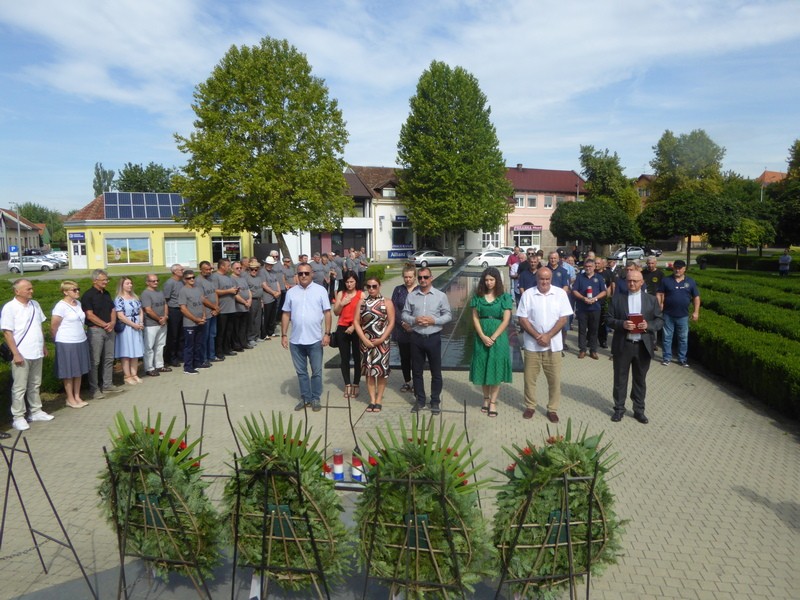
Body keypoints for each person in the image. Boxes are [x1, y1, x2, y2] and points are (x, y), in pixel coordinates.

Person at [516, 268, 573, 423]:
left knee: (554, 380)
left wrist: (548, 336)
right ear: (537, 278)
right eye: (542, 278)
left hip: (553, 346)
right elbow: (522, 319)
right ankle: (530, 406)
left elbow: (563, 319)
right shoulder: (528, 294)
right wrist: (537, 336)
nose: (544, 282)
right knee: (529, 379)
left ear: (551, 279)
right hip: (532, 345)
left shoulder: (560, 294)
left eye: (547, 279)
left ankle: (552, 409)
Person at [607, 270, 663, 423]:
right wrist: (622, 324)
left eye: (635, 281)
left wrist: (648, 325)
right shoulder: (617, 299)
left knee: (640, 380)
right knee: (620, 379)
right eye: (629, 281)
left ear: (642, 282)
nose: (631, 283)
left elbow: (659, 321)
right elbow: (608, 319)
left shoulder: (651, 300)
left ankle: (639, 410)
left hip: (642, 346)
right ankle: (619, 409)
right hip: (623, 345)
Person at [2, 279, 54, 430]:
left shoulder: (35, 304)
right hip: (22, 353)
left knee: (35, 384)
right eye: (28, 289)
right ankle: (18, 417)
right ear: (17, 291)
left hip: (36, 351)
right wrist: (16, 354)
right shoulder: (10, 308)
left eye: (31, 288)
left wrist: (43, 346)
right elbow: (7, 333)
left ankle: (36, 411)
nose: (31, 291)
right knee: (19, 387)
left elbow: (39, 326)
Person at [281, 264, 332, 412]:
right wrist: (284, 334)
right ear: (296, 275)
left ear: (312, 274)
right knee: (301, 372)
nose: (303, 276)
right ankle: (305, 398)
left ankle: (315, 398)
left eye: (306, 273)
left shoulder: (320, 290)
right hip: (296, 341)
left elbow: (327, 313)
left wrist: (327, 334)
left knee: (316, 372)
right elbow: (286, 314)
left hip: (315, 340)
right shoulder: (291, 292)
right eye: (300, 273)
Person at [402, 267, 452, 415]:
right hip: (416, 337)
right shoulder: (412, 296)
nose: (422, 280)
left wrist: (434, 321)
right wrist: (414, 320)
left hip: (433, 337)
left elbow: (448, 315)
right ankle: (420, 400)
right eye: (420, 278)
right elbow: (404, 314)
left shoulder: (440, 296)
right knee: (417, 371)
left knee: (436, 372)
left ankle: (435, 401)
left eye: (425, 277)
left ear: (431, 277)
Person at [469, 267, 513, 418]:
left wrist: (493, 337)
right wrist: (482, 336)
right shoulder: (478, 297)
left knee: (495, 367)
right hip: (481, 336)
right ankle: (486, 399)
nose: (489, 283)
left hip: (498, 338)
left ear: (497, 280)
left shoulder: (504, 297)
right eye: (486, 280)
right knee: (483, 367)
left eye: (492, 280)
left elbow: (506, 320)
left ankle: (493, 402)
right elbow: (475, 318)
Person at [355, 276, 395, 413]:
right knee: (369, 371)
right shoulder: (362, 303)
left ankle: (379, 400)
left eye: (374, 286)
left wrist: (382, 338)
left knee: (381, 371)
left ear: (379, 286)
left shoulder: (387, 302)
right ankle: (372, 400)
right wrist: (364, 339)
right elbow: (356, 322)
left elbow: (391, 322)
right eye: (369, 286)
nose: (371, 289)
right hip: (366, 343)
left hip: (382, 343)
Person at [82, 269, 123, 399]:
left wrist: (112, 322)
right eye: (103, 280)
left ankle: (107, 384)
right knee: (95, 361)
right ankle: (94, 389)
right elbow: (89, 315)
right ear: (95, 280)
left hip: (109, 329)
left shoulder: (106, 293)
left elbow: (112, 309)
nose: (106, 282)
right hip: (96, 331)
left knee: (109, 358)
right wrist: (104, 324)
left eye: (107, 279)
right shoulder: (88, 295)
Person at [51, 280, 91, 408]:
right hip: (66, 341)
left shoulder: (78, 303)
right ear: (65, 292)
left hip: (80, 340)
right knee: (68, 371)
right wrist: (55, 339)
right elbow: (54, 326)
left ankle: (77, 396)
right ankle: (70, 398)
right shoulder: (60, 306)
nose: (77, 291)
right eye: (74, 290)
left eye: (78, 289)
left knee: (78, 370)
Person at [657, 259, 701, 368]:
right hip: (668, 314)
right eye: (676, 268)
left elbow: (696, 297)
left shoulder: (690, 281)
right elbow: (659, 293)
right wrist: (660, 304)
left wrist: (696, 312)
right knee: (667, 337)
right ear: (673, 268)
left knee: (683, 338)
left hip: (683, 315)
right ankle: (666, 358)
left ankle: (682, 359)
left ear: (684, 269)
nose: (677, 270)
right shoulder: (666, 280)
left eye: (680, 268)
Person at [332, 271, 362, 399]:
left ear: (356, 282)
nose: (349, 284)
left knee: (357, 357)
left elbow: (363, 314)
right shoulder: (341, 294)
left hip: (356, 327)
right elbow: (336, 312)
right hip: (342, 328)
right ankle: (347, 384)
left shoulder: (361, 294)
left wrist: (354, 326)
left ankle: (356, 383)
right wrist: (341, 303)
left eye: (352, 282)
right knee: (344, 358)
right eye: (347, 282)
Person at [572, 258, 607, 359]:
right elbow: (574, 290)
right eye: (586, 266)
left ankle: (593, 350)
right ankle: (582, 350)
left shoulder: (599, 278)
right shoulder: (580, 277)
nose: (588, 268)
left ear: (594, 267)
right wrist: (583, 298)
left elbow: (604, 291)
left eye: (590, 266)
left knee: (594, 330)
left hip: (595, 308)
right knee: (582, 330)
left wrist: (595, 298)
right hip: (582, 308)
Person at [391, 265, 417, 393]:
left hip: (417, 330)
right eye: (406, 277)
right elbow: (393, 308)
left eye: (410, 277)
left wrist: (413, 325)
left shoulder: (419, 290)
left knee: (416, 358)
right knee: (405, 357)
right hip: (401, 330)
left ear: (415, 277)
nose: (408, 279)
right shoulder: (398, 290)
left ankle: (417, 383)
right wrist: (402, 323)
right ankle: (407, 381)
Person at [114, 276, 145, 386]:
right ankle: (127, 376)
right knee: (126, 352)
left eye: (131, 283)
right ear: (122, 285)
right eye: (127, 283)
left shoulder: (135, 297)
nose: (130, 285)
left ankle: (134, 374)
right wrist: (133, 325)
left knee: (136, 350)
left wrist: (140, 322)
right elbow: (120, 316)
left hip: (137, 326)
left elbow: (140, 311)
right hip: (126, 328)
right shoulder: (119, 299)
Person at [178, 269, 208, 374]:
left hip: (200, 322)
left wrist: (204, 316)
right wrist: (195, 319)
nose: (191, 279)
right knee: (189, 346)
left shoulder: (198, 289)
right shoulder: (183, 291)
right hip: (190, 323)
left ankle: (197, 363)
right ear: (184, 279)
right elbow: (183, 309)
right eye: (189, 278)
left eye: (193, 277)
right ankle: (188, 367)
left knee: (198, 344)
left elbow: (202, 303)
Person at [141, 274, 169, 377]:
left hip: (162, 323)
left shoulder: (160, 292)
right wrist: (159, 319)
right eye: (153, 281)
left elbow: (165, 304)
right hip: (151, 324)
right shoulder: (145, 294)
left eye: (157, 280)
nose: (156, 282)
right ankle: (149, 368)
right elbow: (148, 310)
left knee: (160, 345)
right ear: (147, 282)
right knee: (149, 347)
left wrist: (165, 316)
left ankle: (159, 365)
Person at [212, 259, 239, 359]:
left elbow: (231, 290)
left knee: (229, 331)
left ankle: (227, 348)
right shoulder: (215, 277)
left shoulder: (228, 277)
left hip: (231, 308)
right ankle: (219, 351)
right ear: (222, 266)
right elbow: (215, 291)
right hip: (222, 309)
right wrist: (228, 291)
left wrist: (235, 291)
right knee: (221, 332)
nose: (229, 268)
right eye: (228, 266)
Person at [197, 261, 220, 362]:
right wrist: (214, 307)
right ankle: (204, 358)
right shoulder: (198, 281)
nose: (209, 271)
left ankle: (212, 355)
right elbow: (202, 298)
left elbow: (215, 293)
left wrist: (216, 308)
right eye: (206, 269)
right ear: (200, 270)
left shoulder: (211, 279)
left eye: (210, 269)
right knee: (204, 337)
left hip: (213, 312)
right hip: (205, 313)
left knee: (212, 335)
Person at [162, 264, 185, 367]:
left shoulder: (181, 282)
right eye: (181, 269)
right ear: (175, 271)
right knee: (173, 335)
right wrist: (166, 313)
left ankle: (179, 355)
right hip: (173, 310)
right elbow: (165, 299)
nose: (183, 271)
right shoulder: (169, 283)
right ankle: (170, 357)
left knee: (181, 335)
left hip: (182, 310)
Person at [260, 257, 282, 339]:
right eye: (269, 264)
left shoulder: (273, 271)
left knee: (273, 315)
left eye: (271, 264)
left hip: (274, 297)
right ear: (265, 263)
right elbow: (264, 285)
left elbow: (277, 282)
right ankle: (264, 333)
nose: (270, 266)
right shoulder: (262, 272)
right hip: (267, 298)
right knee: (266, 316)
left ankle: (271, 331)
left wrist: (279, 291)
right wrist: (273, 293)